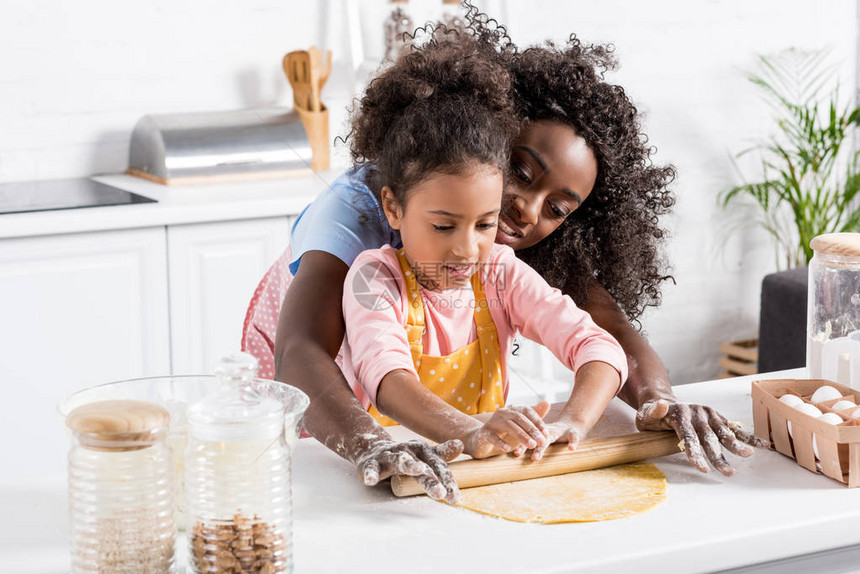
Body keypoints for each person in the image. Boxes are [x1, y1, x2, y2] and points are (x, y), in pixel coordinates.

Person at [241, 8, 767, 504]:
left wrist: (658, 399)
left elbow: (605, 334)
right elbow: (302, 351)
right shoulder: (358, 215)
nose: (524, 210)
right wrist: (371, 441)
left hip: (430, 426)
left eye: (557, 207)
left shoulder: (500, 254)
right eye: (519, 171)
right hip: (309, 368)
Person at [338, 31, 628, 464]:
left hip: (484, 476)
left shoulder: (502, 272)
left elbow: (599, 348)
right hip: (395, 472)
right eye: (443, 225)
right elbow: (387, 379)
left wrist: (574, 421)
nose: (466, 249)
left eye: (485, 224)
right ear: (394, 208)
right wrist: (471, 432)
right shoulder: (374, 277)